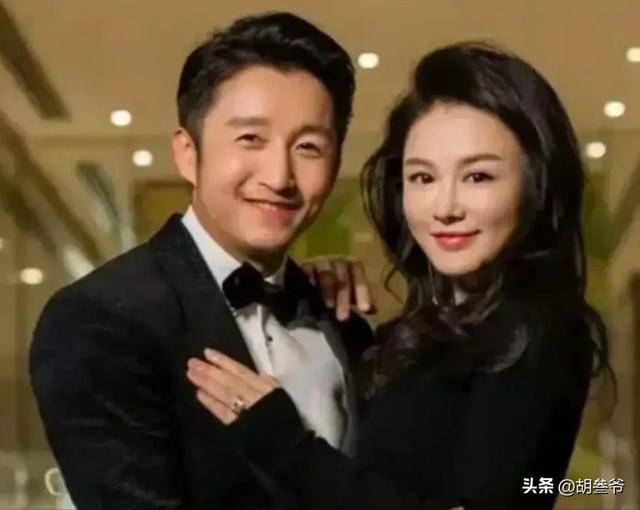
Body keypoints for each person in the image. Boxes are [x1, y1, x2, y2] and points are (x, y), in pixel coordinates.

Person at [186, 42, 611, 509]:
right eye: (423, 178)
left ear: (536, 185)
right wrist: (331, 315)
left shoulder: (532, 331)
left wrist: (286, 445)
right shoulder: (446, 325)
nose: (445, 208)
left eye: (478, 177)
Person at [29, 12, 374, 510]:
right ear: (188, 153)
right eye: (251, 139)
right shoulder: (99, 317)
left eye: (308, 147)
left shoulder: (339, 315)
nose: (280, 176)